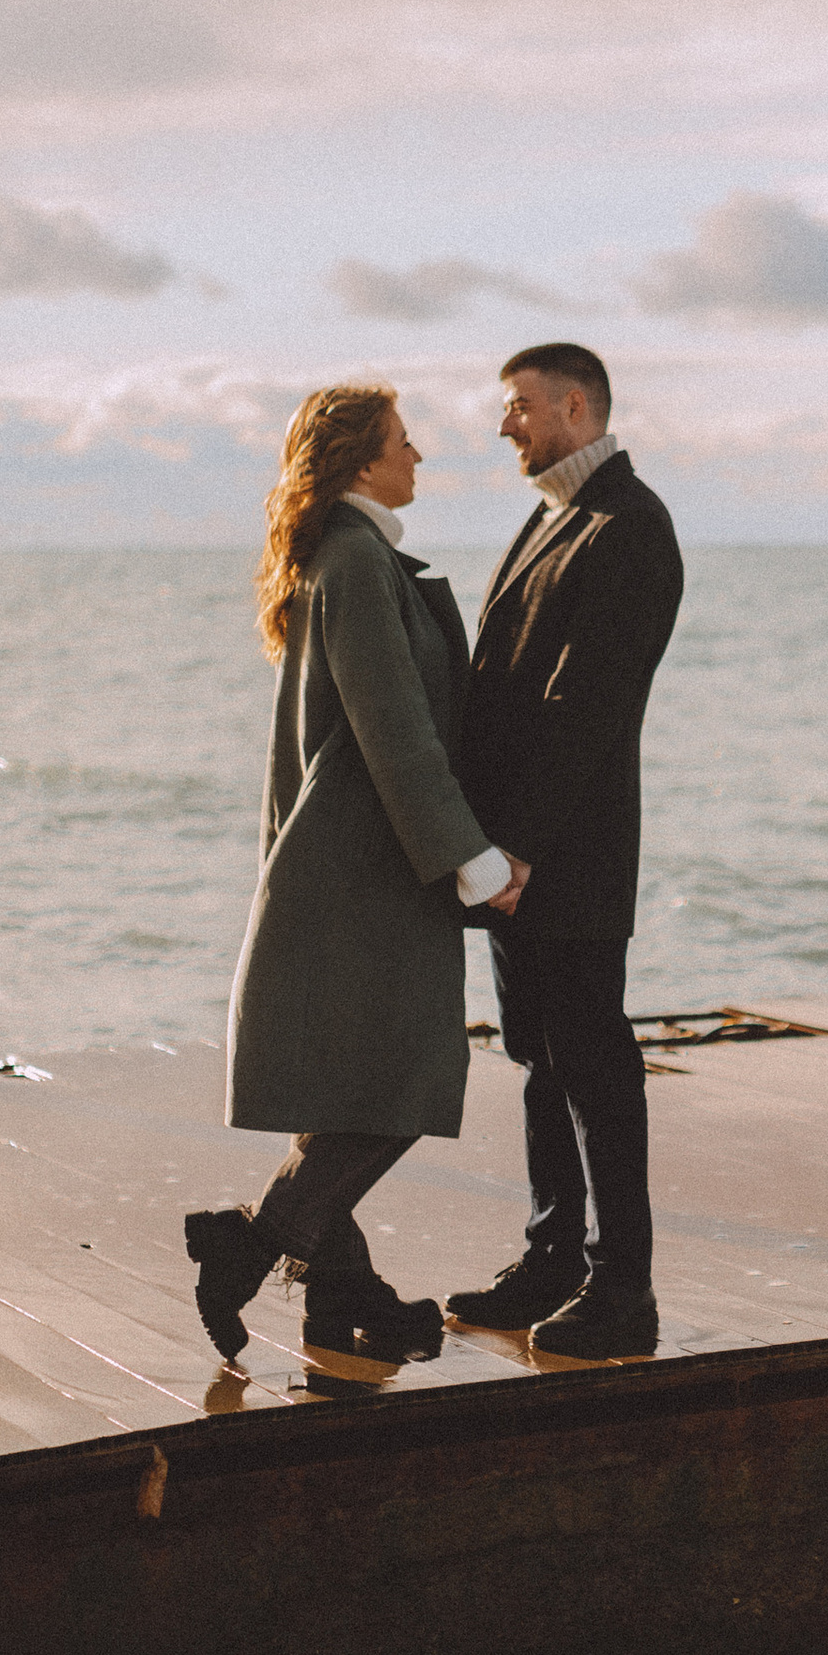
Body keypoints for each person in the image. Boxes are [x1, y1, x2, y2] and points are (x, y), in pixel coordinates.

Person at [185, 382, 521, 1368]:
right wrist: (476, 859)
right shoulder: (355, 563)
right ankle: (244, 1244)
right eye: (403, 442)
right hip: (365, 882)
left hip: (348, 876)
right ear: (361, 461)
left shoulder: (345, 557)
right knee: (398, 1087)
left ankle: (344, 1304)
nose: (419, 456)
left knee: (357, 1092)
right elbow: (396, 735)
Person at [449, 342, 683, 1360]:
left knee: (592, 1058)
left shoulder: (630, 527)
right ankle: (552, 1257)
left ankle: (621, 1285)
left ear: (576, 407)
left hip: (566, 853)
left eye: (520, 406)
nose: (506, 424)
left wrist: (524, 846)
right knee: (538, 1054)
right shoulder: (556, 515)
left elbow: (586, 707)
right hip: (514, 854)